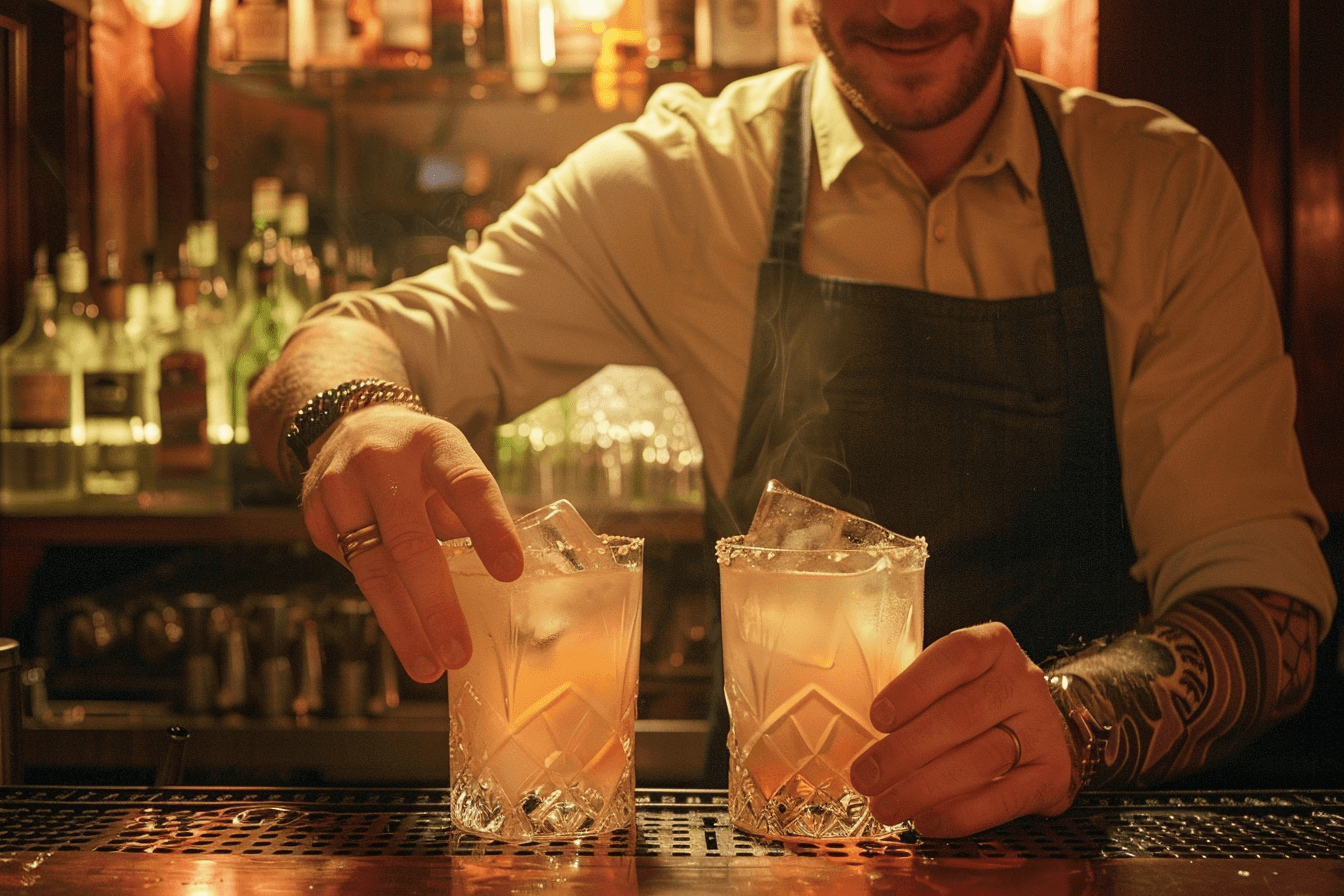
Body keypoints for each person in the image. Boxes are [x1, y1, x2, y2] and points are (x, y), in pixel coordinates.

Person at [249, 0, 1336, 838]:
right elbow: (350, 337)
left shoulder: (1157, 185)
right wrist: (352, 414)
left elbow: (1273, 617)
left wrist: (1076, 715)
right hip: (782, 840)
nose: (906, 9)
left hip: (1082, 846)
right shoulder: (685, 179)